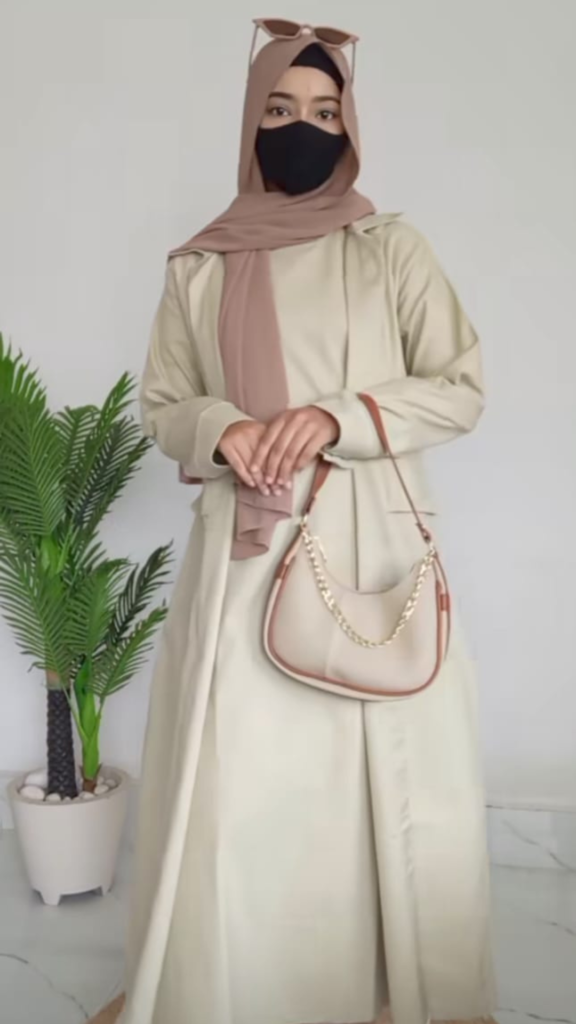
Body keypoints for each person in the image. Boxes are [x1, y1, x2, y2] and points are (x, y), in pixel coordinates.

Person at [97, 19, 498, 1024]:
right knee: (242, 784)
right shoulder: (199, 266)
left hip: (370, 557)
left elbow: (459, 387)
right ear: (250, 120)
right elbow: (163, 404)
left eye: (325, 112)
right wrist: (224, 428)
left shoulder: (389, 247)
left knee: (372, 784)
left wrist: (338, 417)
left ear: (350, 128)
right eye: (280, 108)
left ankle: (375, 995)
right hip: (243, 554)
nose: (302, 129)